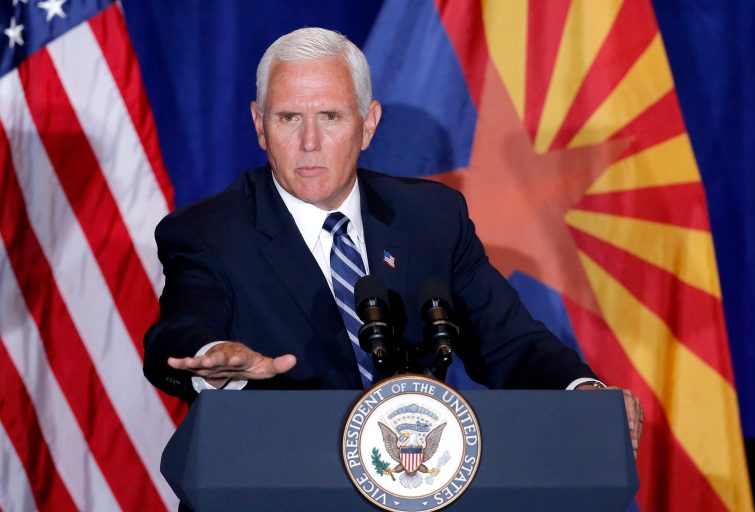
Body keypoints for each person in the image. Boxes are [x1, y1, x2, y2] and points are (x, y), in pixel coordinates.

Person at [143, 27, 642, 455]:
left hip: (416, 482)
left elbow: (507, 340)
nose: (310, 142)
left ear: (368, 125)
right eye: (289, 118)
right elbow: (180, 329)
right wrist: (212, 356)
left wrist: (582, 392)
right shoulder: (210, 232)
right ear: (259, 125)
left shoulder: (431, 217)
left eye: (332, 117)